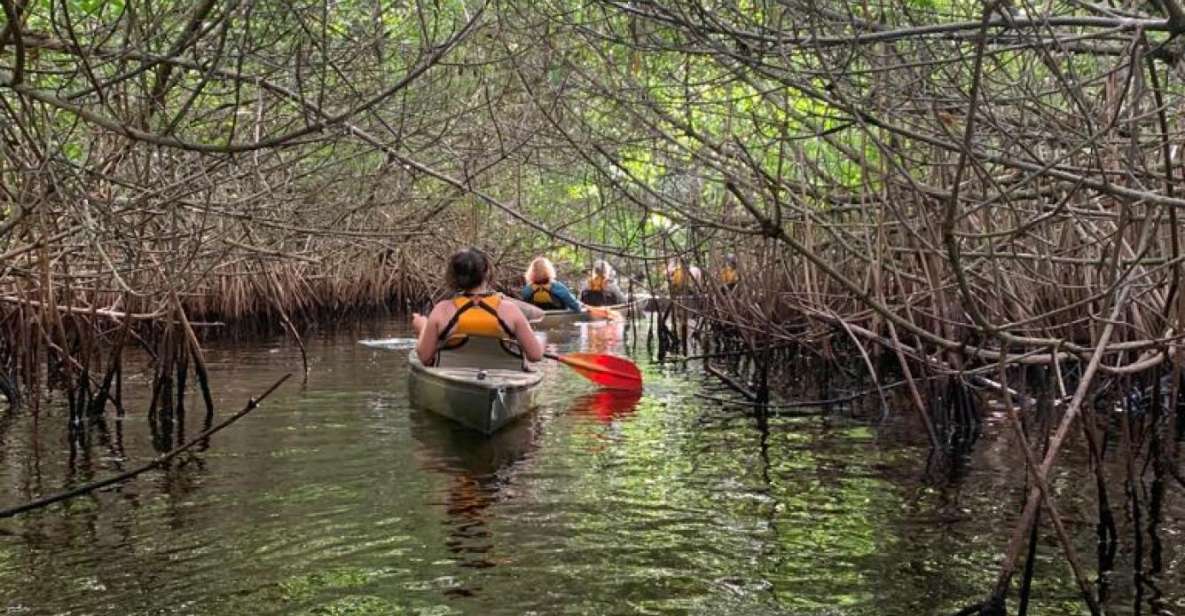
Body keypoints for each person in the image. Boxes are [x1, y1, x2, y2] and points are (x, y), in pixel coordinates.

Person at [412, 248, 544, 366]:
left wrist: (423, 327)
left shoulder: (442, 310)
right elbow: (535, 355)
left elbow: (424, 357)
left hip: (454, 379)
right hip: (500, 380)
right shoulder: (510, 310)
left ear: (454, 275)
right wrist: (540, 339)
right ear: (486, 272)